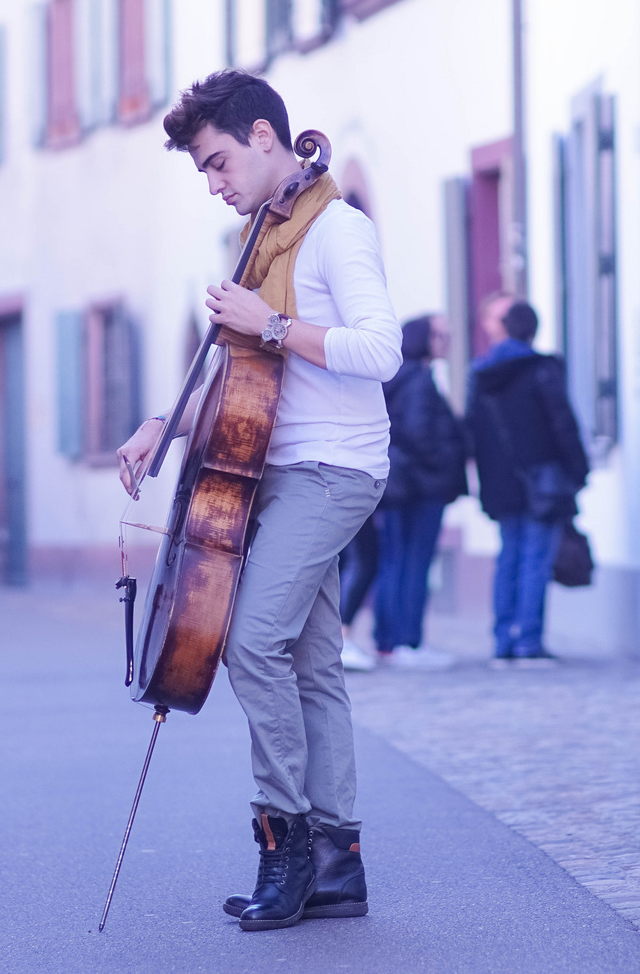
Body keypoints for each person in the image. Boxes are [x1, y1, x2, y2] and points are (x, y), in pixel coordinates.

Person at [117, 72, 401, 931]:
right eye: (203, 172)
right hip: (275, 470)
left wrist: (270, 323)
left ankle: (285, 843)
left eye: (216, 162)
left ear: (264, 137)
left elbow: (379, 351)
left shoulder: (335, 234)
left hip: (335, 468)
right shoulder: (260, 241)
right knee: (311, 666)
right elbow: (233, 371)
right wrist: (162, 423)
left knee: (250, 643)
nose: (213, 182)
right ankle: (337, 863)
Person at [467, 301, 588, 667]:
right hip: (542, 478)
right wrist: (577, 469)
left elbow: (475, 432)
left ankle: (503, 641)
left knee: (509, 557)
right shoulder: (541, 369)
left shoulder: (482, 373)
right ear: (533, 329)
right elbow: (562, 423)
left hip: (502, 482)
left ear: (503, 328)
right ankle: (529, 642)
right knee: (536, 559)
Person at [373, 315, 467, 669]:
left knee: (396, 561)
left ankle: (390, 641)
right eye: (441, 335)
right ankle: (406, 641)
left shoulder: (401, 376)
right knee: (413, 563)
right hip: (419, 486)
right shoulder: (417, 380)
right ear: (422, 338)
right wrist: (445, 460)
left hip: (401, 484)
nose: (448, 341)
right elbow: (417, 433)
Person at [337, 515, 378, 671]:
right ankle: (342, 638)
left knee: (346, 560)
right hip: (348, 496)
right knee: (363, 561)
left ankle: (338, 638)